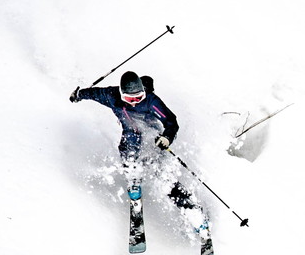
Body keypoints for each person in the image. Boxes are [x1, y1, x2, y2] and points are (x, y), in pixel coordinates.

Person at [70, 71, 210, 242]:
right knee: (128, 153)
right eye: (131, 99)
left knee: (163, 177)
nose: (136, 102)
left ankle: (194, 213)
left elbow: (171, 121)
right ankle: (133, 182)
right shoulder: (111, 96)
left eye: (139, 97)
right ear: (122, 94)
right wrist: (79, 95)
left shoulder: (151, 101)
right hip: (131, 140)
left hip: (152, 140)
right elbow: (93, 93)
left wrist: (167, 137)